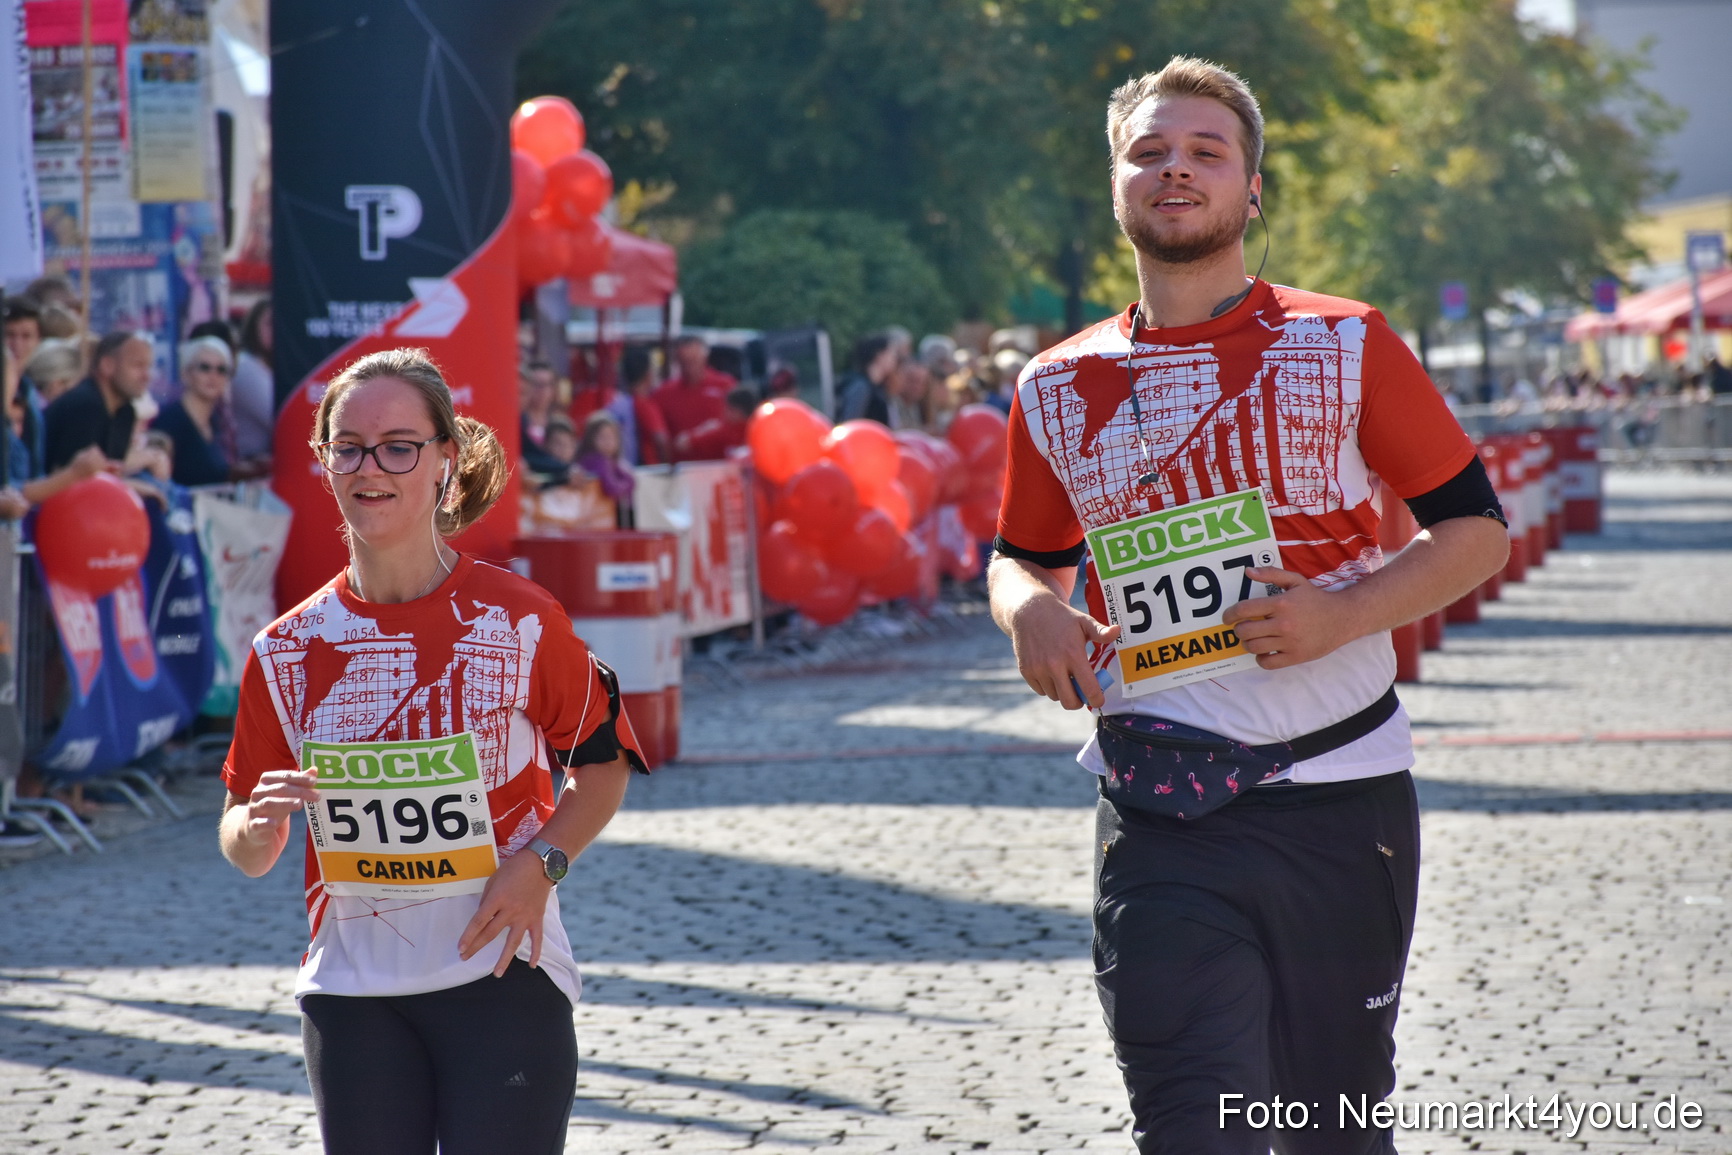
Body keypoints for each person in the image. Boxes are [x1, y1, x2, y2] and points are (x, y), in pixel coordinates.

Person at [986, 57, 1509, 1155]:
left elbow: (1476, 530)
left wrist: (1341, 614)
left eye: (1205, 152)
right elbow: (1020, 557)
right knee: (1191, 1127)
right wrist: (1025, 607)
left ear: (1251, 188)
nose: (1174, 168)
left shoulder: (1345, 341)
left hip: (1339, 800)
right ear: (1117, 185)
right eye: (1149, 152)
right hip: (1157, 810)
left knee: (1332, 1129)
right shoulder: (1054, 383)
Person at [218, 346, 647, 1155]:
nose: (370, 468)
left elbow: (604, 763)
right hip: (351, 996)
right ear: (324, 462)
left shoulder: (518, 618)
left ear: (445, 459)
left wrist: (542, 864)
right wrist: (257, 827)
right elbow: (242, 839)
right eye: (349, 447)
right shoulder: (284, 648)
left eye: (398, 447)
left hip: (502, 980)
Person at [44, 331, 167, 476]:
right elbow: (73, 478)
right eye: (138, 366)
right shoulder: (84, 406)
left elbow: (112, 474)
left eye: (149, 367)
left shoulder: (125, 412)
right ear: (107, 365)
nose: (147, 376)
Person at [151, 336, 236, 486]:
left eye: (221, 370)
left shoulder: (216, 420)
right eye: (205, 367)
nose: (213, 376)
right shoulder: (170, 421)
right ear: (186, 373)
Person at [651, 335, 736, 462]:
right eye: (684, 362)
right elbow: (658, 435)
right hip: (682, 466)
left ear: (704, 358)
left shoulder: (725, 386)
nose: (689, 366)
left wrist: (695, 437)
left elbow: (736, 424)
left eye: (693, 360)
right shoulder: (663, 393)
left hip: (718, 464)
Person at [230, 298, 275, 468]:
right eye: (270, 323)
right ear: (253, 326)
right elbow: (279, 419)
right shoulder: (247, 367)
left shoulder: (270, 367)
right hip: (249, 465)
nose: (277, 329)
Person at [574, 410, 635, 526]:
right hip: (593, 520)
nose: (608, 442)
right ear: (591, 438)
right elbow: (611, 488)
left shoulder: (609, 461)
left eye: (611, 437)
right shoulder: (597, 460)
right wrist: (629, 482)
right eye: (602, 437)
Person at [621, 345, 670, 466]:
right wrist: (668, 464)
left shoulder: (621, 402)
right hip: (650, 469)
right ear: (648, 374)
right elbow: (661, 440)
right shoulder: (645, 404)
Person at [834, 332, 896, 424]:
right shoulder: (861, 387)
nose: (894, 358)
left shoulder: (877, 388)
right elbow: (850, 424)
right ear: (879, 355)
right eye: (891, 353)